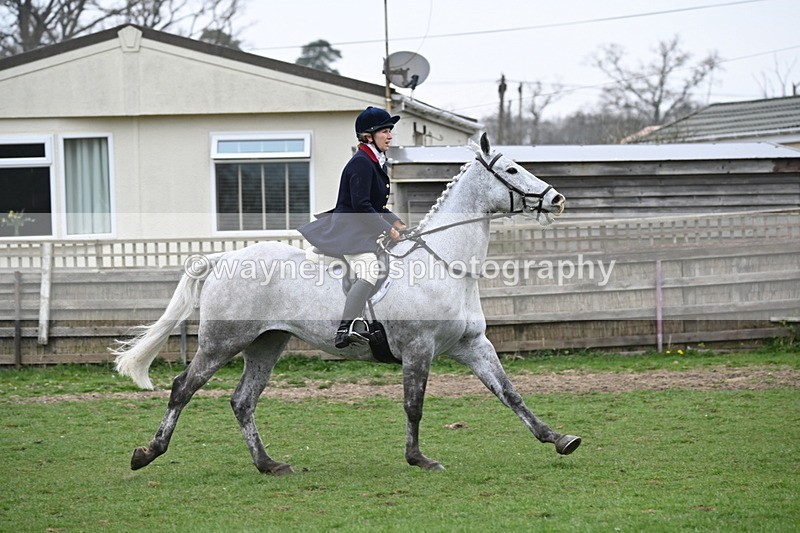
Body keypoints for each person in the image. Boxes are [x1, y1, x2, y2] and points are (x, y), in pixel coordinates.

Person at [298, 106, 407, 348]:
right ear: (369, 136)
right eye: (385, 131)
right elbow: (361, 205)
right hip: (350, 231)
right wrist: (387, 229)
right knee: (369, 271)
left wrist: (396, 221)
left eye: (390, 131)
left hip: (363, 227)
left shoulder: (376, 161)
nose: (390, 136)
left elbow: (376, 205)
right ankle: (345, 328)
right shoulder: (361, 162)